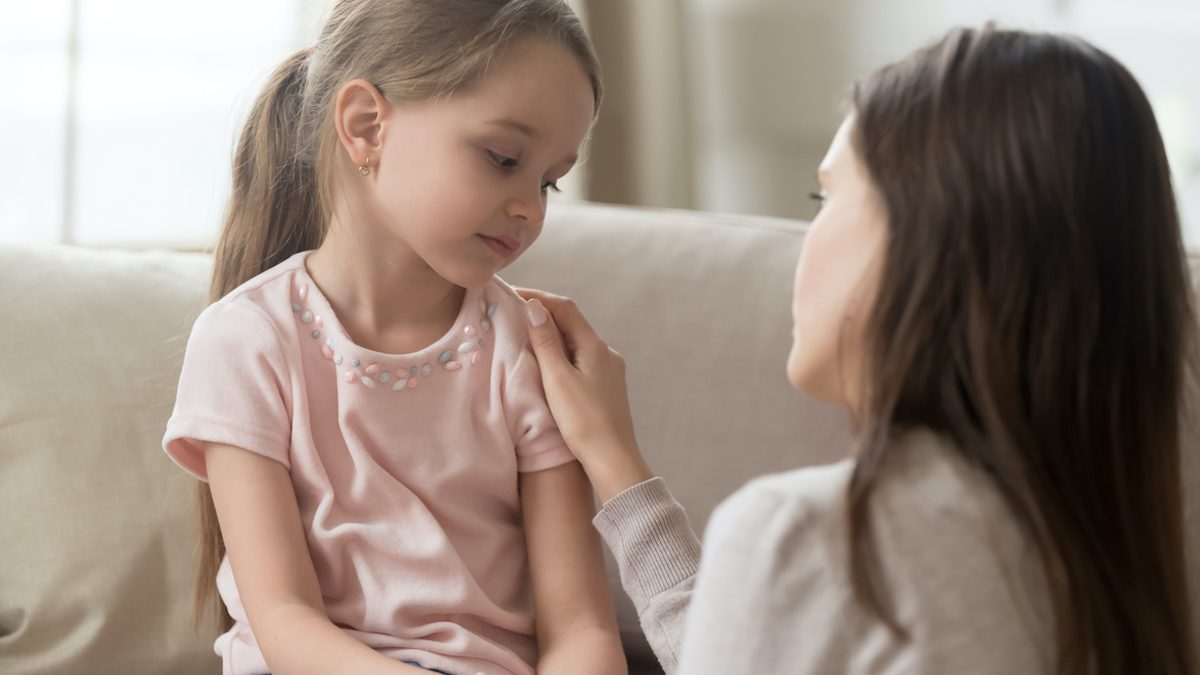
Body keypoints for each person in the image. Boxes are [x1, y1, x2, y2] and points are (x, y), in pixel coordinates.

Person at [519, 25, 1198, 675]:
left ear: (925, 240)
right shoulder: (1117, 552)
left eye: (827, 196)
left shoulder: (807, 535)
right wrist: (617, 463)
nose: (806, 243)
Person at [160, 2, 624, 674]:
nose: (530, 207)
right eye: (503, 158)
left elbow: (579, 627)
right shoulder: (246, 341)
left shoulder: (529, 349)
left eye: (549, 181)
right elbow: (285, 618)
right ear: (366, 126)